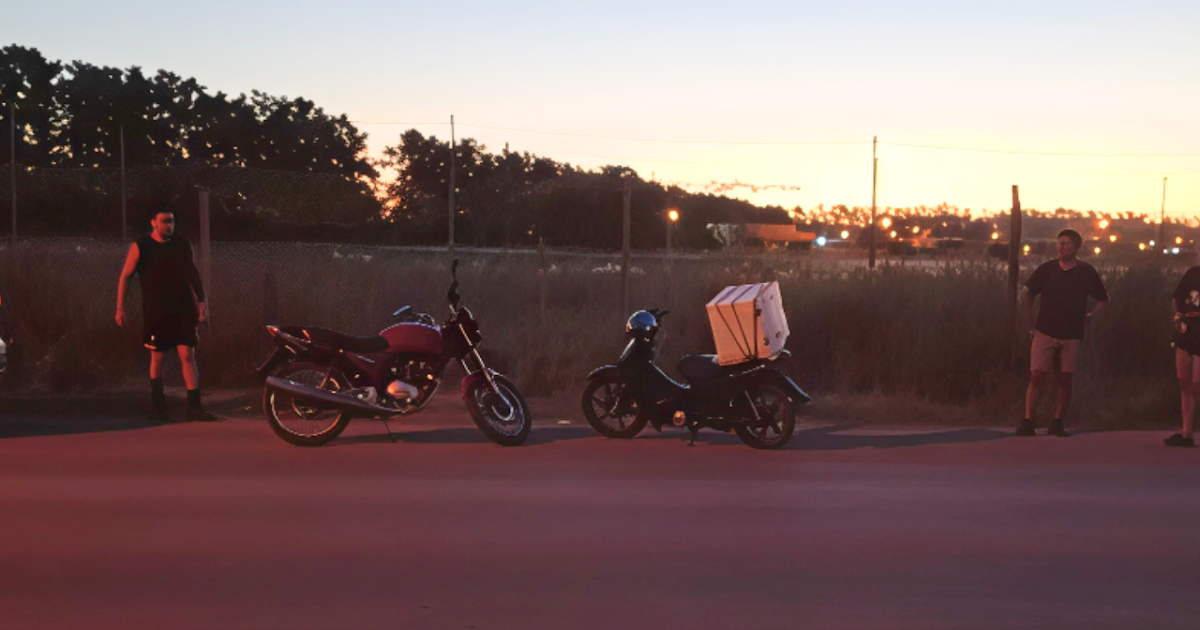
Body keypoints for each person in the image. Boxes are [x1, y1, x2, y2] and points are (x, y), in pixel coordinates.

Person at [115, 207, 217, 422]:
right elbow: (125, 276)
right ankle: (159, 408)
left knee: (188, 356)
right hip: (156, 312)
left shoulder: (181, 245)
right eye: (164, 221)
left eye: (171, 221)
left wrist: (200, 300)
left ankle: (195, 407)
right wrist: (120, 307)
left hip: (182, 309)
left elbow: (192, 271)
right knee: (157, 358)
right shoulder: (142, 245)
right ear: (153, 222)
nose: (169, 226)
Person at [1017, 229, 1109, 437]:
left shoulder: (1086, 272)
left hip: (1071, 334)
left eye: (1066, 243)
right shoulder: (1047, 270)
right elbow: (1027, 293)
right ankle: (1028, 420)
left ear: (1076, 247)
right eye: (1060, 243)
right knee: (1036, 376)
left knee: (1064, 378)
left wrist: (1091, 315)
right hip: (1045, 332)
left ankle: (1057, 421)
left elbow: (1104, 299)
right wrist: (1032, 324)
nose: (1062, 247)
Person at [1167, 262, 1200, 447]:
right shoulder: (1193, 273)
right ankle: (1186, 432)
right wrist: (1178, 317)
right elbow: (1177, 298)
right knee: (1184, 380)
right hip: (1187, 330)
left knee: (1198, 382)